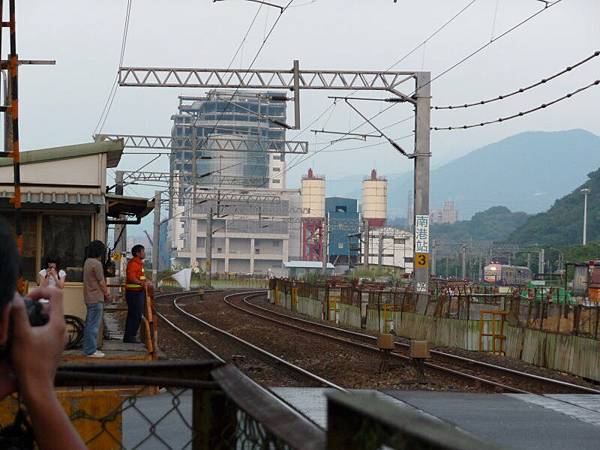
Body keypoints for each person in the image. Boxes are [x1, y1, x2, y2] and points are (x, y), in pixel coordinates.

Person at [0, 219, 86, 449]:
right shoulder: (41, 273)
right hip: (44, 300)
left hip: (49, 298)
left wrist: (55, 275)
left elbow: (59, 286)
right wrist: (38, 386)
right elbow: (41, 284)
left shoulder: (61, 273)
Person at [83, 240, 110, 358]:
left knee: (89, 323)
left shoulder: (87, 262)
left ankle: (89, 349)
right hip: (96, 297)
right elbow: (101, 281)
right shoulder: (97, 264)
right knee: (93, 325)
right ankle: (90, 351)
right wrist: (107, 294)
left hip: (89, 297)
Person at [124, 244, 148, 343]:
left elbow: (139, 277)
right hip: (134, 293)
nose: (144, 253)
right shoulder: (133, 263)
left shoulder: (139, 263)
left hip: (138, 292)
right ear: (138, 253)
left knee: (134, 315)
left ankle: (130, 336)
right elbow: (131, 277)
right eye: (143, 251)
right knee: (135, 315)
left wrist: (146, 281)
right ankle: (130, 337)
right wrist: (141, 283)